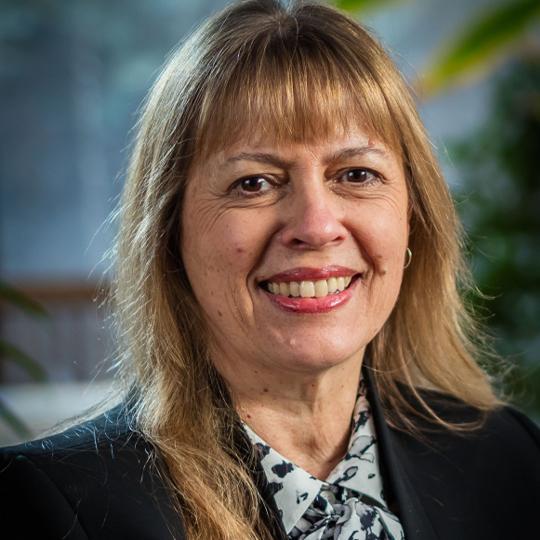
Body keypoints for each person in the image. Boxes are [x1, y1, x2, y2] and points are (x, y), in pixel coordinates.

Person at [1, 1, 539, 539]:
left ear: (412, 219)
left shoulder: (508, 460)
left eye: (356, 173)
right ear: (170, 234)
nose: (316, 225)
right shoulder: (52, 506)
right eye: (254, 183)